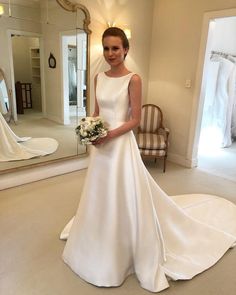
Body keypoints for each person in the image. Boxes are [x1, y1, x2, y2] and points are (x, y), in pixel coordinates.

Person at [60, 27, 236, 293]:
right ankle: (95, 240)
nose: (110, 54)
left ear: (126, 49)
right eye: (106, 48)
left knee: (123, 194)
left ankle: (122, 248)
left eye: (115, 48)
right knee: (99, 194)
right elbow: (96, 111)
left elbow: (135, 120)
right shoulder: (98, 77)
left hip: (119, 146)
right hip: (101, 147)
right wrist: (91, 130)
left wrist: (108, 134)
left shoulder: (133, 79)